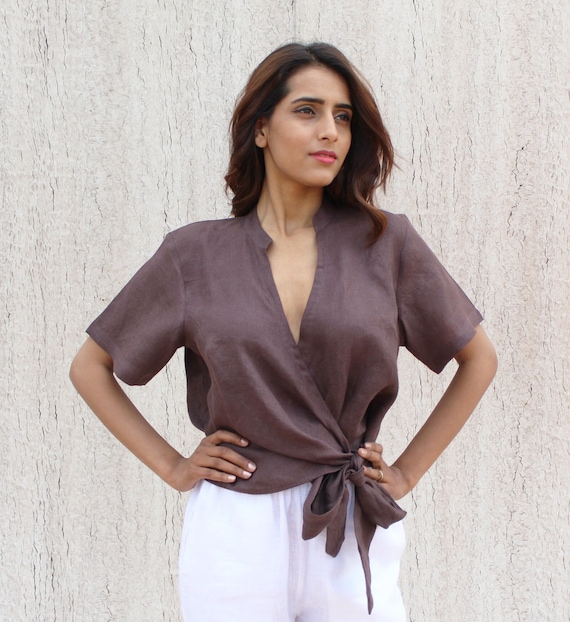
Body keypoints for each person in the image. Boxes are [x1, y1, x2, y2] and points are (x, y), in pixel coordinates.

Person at [70, 42, 497, 622]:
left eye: (343, 116)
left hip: (347, 511)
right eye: (307, 110)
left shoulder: (386, 243)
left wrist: (406, 472)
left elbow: (478, 359)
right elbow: (91, 366)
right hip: (237, 525)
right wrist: (173, 467)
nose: (330, 131)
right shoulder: (194, 254)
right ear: (261, 129)